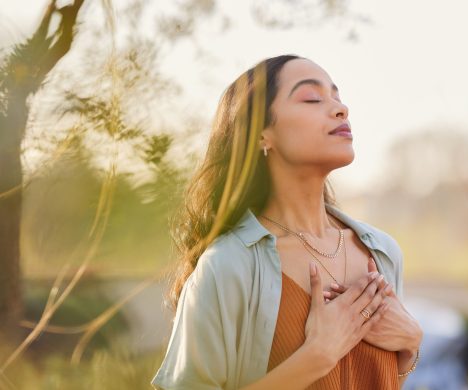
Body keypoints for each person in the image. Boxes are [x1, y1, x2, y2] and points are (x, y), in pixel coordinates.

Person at [151, 54, 423, 390]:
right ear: (262, 135)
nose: (341, 109)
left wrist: (411, 345)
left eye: (337, 97)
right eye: (312, 98)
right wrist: (316, 357)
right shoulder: (228, 266)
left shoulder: (382, 252)